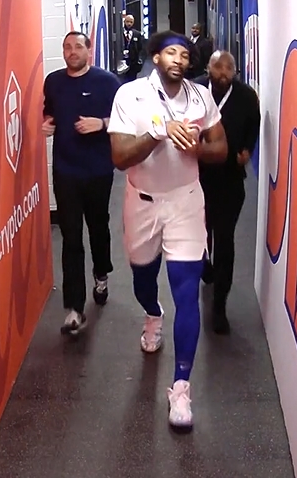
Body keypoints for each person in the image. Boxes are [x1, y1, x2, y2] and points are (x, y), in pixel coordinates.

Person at [106, 31, 228, 428]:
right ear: (156, 58)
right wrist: (157, 134)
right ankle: (152, 313)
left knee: (187, 292)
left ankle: (180, 388)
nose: (179, 59)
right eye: (170, 53)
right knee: (143, 279)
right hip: (142, 201)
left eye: (184, 54)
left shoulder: (200, 97)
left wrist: (197, 149)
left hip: (186, 201)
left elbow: (221, 148)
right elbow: (120, 157)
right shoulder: (130, 95)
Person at [42, 31, 122, 335]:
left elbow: (128, 121)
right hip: (66, 171)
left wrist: (101, 123)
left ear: (89, 51)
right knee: (71, 237)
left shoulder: (108, 83)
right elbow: (49, 111)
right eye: (67, 47)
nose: (71, 51)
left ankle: (101, 275)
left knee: (98, 228)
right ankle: (74, 309)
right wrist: (47, 123)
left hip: (98, 171)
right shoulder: (53, 81)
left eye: (78, 46)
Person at [195, 51, 261, 334]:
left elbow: (254, 125)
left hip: (230, 180)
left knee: (225, 240)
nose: (223, 72)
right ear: (208, 68)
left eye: (228, 68)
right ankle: (203, 263)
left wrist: (246, 150)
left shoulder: (246, 97)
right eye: (218, 66)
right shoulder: (195, 91)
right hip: (196, 177)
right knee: (198, 234)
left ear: (235, 71)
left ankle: (219, 305)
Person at [120, 14, 144, 83]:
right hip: (122, 61)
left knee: (132, 80)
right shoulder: (119, 33)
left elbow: (140, 47)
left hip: (133, 62)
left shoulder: (137, 34)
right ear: (124, 22)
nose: (129, 24)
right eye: (127, 21)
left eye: (131, 22)